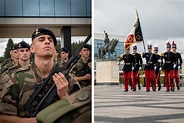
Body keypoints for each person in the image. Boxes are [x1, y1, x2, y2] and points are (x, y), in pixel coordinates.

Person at [0, 28, 69, 122]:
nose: (47, 42)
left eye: (50, 40)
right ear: (32, 49)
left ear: (54, 49)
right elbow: (3, 117)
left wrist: (65, 97)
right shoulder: (15, 78)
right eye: (41, 39)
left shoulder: (66, 79)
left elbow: (81, 116)